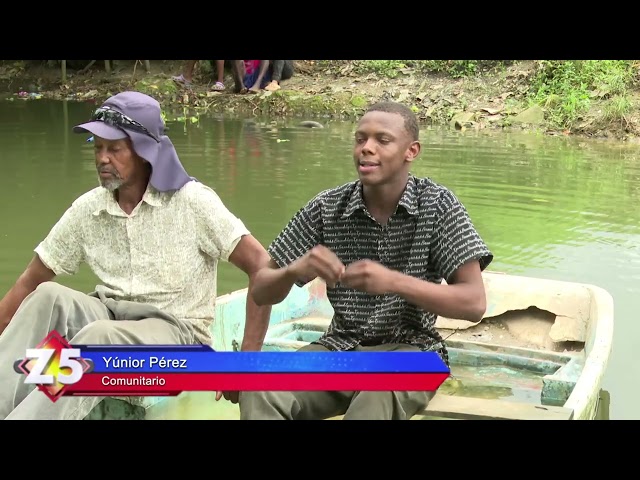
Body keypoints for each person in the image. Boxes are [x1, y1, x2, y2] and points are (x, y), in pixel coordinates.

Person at [0, 91, 272, 420]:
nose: (102, 158)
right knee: (46, 296)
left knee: (96, 341)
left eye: (114, 148)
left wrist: (246, 362)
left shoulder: (192, 202)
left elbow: (262, 266)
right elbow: (29, 280)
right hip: (110, 316)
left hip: (178, 336)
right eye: (97, 147)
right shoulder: (89, 208)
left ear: (144, 153)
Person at [239, 101, 493, 420]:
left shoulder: (438, 205)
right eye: (360, 139)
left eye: (382, 140)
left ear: (411, 151)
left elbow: (474, 303)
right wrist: (293, 270)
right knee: (259, 385)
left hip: (414, 352)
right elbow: (261, 289)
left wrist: (394, 282)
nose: (366, 149)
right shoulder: (327, 207)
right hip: (340, 347)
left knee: (375, 394)